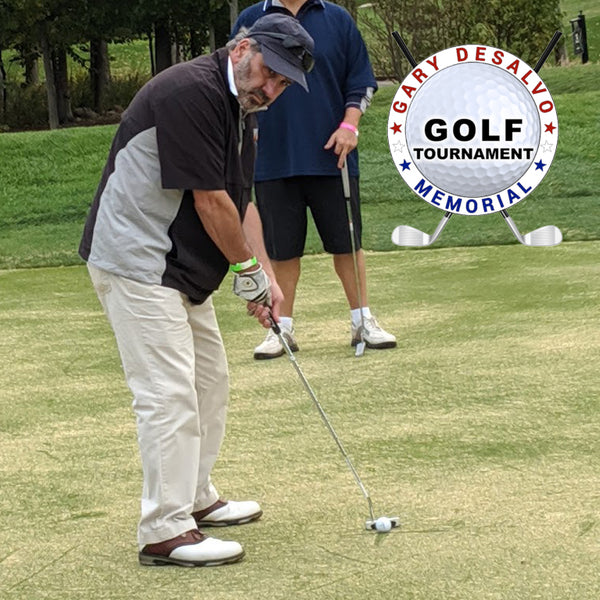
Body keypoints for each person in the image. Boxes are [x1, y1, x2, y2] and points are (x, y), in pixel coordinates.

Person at [78, 14, 314, 568]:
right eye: (269, 73)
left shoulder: (242, 111)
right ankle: (164, 528)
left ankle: (194, 498)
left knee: (209, 380)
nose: (271, 89)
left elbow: (242, 202)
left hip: (179, 267)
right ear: (244, 48)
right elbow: (210, 202)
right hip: (137, 259)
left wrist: (267, 278)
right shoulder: (189, 92)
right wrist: (248, 272)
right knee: (168, 393)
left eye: (282, 84)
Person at [232, 1, 396, 360]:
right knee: (282, 251)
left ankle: (362, 322)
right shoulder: (251, 19)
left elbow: (360, 82)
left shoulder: (337, 18)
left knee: (347, 245)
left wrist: (349, 126)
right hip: (272, 157)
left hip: (332, 155)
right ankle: (282, 329)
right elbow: (236, 82)